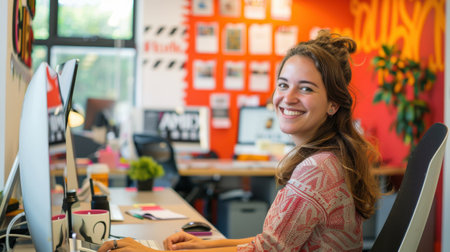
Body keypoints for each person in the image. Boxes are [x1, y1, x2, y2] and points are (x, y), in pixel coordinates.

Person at [98, 30, 380, 252]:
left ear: (333, 103)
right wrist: (205, 245)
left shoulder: (317, 168)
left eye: (305, 88)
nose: (288, 97)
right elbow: (271, 243)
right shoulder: (329, 158)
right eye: (283, 85)